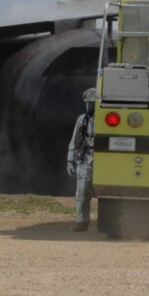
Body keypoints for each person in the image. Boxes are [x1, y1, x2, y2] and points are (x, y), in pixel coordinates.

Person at [66, 87, 97, 232]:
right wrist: (70, 161)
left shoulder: (105, 118)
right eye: (88, 103)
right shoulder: (82, 120)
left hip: (106, 158)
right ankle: (81, 221)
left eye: (93, 103)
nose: (89, 106)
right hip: (88, 157)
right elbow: (75, 141)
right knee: (82, 191)